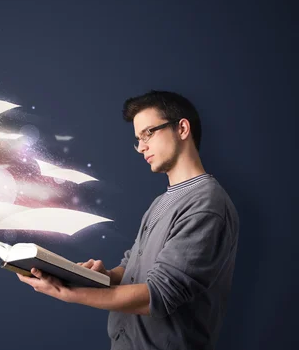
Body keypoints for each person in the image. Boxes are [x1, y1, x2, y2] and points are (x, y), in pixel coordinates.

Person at [16, 90, 239, 350]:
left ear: (182, 128)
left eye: (149, 133)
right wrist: (104, 277)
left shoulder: (206, 204)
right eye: (138, 139)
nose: (142, 147)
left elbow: (158, 296)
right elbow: (132, 268)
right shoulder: (161, 201)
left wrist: (69, 293)